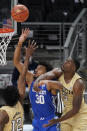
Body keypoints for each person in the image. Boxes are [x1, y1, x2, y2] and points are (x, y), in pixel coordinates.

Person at [13, 28, 62, 131]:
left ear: (46, 72)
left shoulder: (49, 83)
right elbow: (16, 62)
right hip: (36, 121)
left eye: (40, 68)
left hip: (50, 121)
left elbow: (59, 73)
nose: (36, 69)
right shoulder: (31, 79)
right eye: (36, 68)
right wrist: (20, 42)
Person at [34, 57, 87, 131]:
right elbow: (45, 75)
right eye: (66, 60)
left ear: (73, 68)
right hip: (66, 112)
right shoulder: (58, 72)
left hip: (80, 115)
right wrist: (37, 82)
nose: (65, 62)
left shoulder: (78, 83)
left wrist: (58, 120)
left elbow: (75, 109)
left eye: (68, 62)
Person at [0, 37, 35, 131]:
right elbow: (22, 76)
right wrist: (27, 57)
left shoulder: (4, 113)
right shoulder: (19, 104)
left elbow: (22, 76)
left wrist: (20, 44)